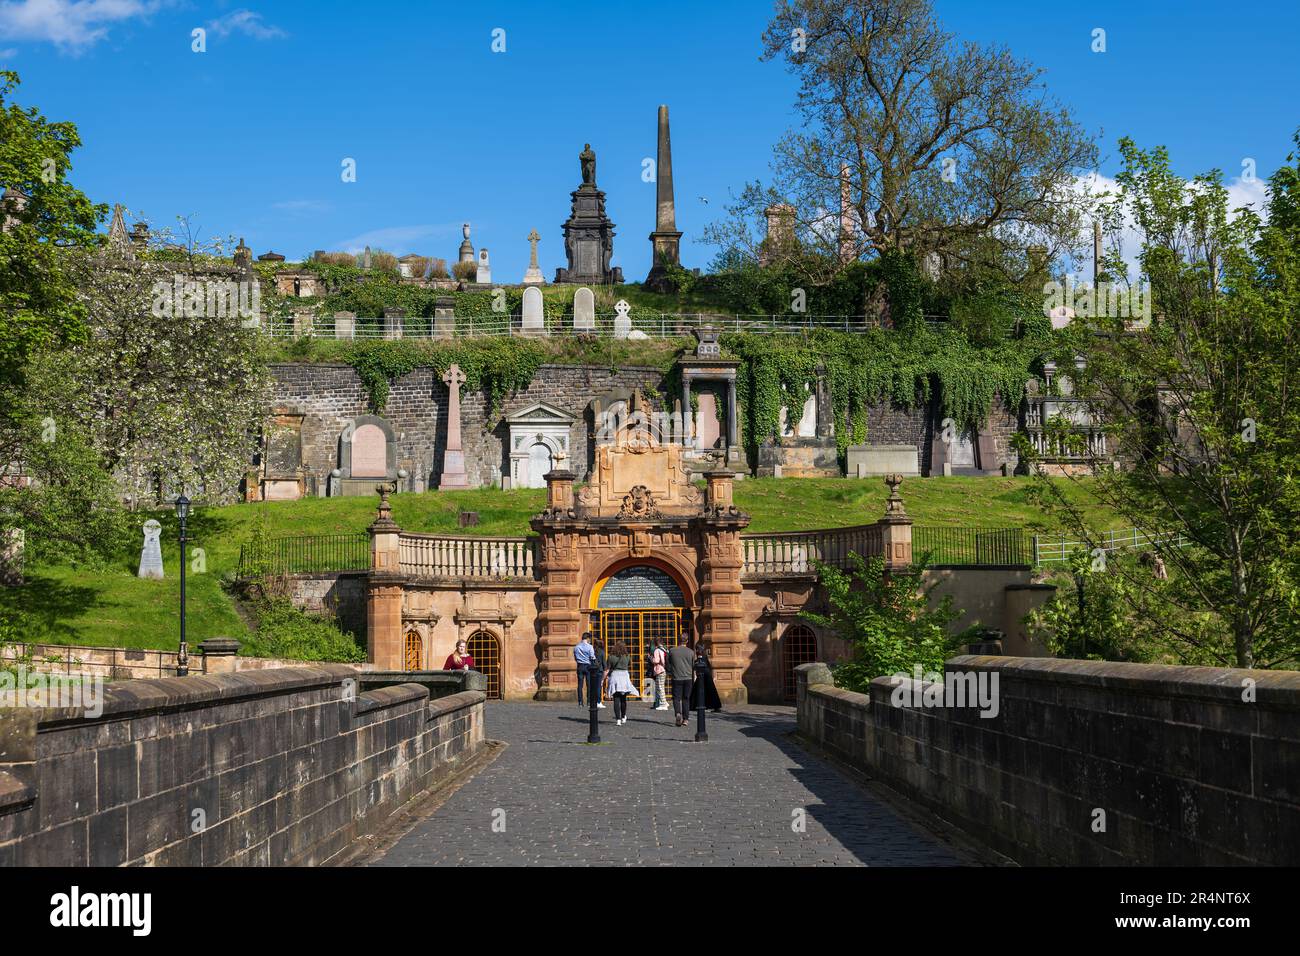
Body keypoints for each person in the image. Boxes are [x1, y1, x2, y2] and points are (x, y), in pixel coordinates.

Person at [667, 634, 696, 727]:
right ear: (687, 641)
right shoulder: (691, 652)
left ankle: (678, 713)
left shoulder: (672, 651)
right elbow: (694, 666)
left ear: (678, 640)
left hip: (676, 677)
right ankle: (686, 719)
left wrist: (671, 671)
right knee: (686, 699)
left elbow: (667, 663)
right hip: (688, 678)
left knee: (676, 698)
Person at [605, 640, 635, 726]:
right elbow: (629, 664)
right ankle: (623, 716)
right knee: (623, 699)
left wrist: (603, 679)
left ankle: (618, 719)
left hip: (615, 676)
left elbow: (608, 668)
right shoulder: (627, 656)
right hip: (624, 676)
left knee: (616, 699)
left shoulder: (611, 656)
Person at [689, 639, 723, 714]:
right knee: (709, 691)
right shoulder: (704, 656)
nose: (696, 651)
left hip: (704, 675)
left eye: (697, 649)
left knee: (702, 690)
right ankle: (714, 706)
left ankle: (694, 705)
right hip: (706, 675)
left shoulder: (701, 656)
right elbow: (708, 666)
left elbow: (701, 665)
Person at [574, 631, 597, 707]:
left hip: (580, 666)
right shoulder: (590, 647)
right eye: (589, 639)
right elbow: (592, 657)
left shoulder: (576, 647)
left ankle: (580, 702)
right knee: (589, 685)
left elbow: (575, 657)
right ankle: (589, 702)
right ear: (587, 638)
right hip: (588, 667)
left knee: (580, 685)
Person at [650, 638, 669, 710]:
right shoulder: (665, 649)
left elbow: (657, 660)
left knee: (660, 687)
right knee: (662, 686)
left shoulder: (657, 650)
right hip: (664, 669)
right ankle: (664, 702)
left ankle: (663, 704)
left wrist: (651, 659)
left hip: (659, 670)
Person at [592, 638, 607, 709]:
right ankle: (598, 702)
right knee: (598, 687)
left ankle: (592, 701)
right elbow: (604, 665)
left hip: (592, 670)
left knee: (592, 686)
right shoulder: (602, 652)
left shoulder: (592, 651)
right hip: (599, 671)